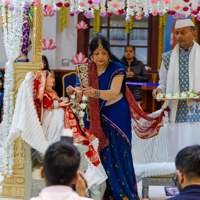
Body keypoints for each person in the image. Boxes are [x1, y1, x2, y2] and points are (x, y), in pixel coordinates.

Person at [67, 36, 162, 200]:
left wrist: (95, 93)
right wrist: (73, 93)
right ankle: (102, 192)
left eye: (104, 53)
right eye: (96, 53)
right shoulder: (85, 70)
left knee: (118, 154)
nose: (100, 57)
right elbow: (78, 95)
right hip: (94, 115)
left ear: (109, 52)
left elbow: (114, 91)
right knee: (98, 153)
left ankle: (122, 193)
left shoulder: (117, 68)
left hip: (116, 115)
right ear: (91, 54)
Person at [152, 18, 200, 157]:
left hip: (198, 113)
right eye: (176, 33)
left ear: (194, 34)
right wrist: (159, 90)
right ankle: (179, 178)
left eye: (183, 33)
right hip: (176, 114)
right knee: (178, 154)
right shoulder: (167, 58)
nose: (178, 36)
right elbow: (163, 83)